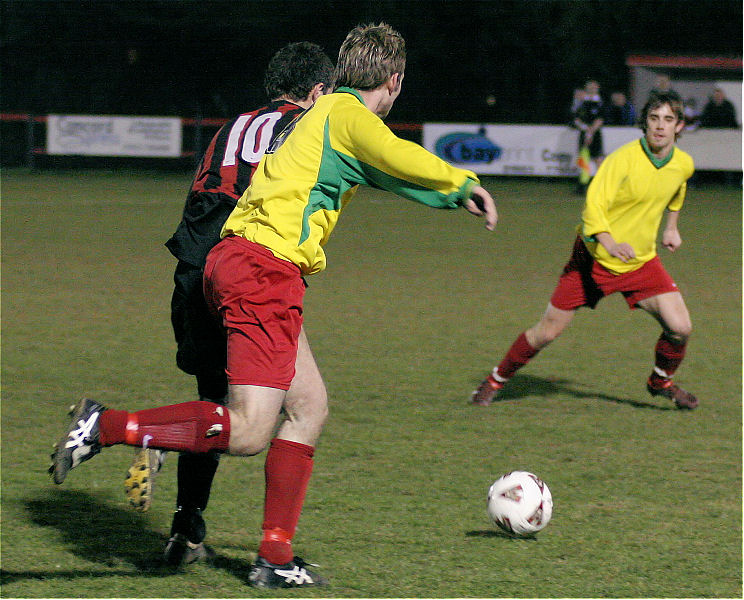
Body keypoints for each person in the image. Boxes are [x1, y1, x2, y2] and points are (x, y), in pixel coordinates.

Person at [50, 23, 498, 589]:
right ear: (395, 80)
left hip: (235, 261)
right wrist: (463, 183)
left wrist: (447, 197)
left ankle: (273, 556)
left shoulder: (322, 116)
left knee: (309, 408)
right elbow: (394, 152)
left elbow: (381, 168)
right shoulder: (348, 113)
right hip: (265, 271)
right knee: (249, 430)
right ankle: (107, 425)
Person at [121, 41, 334, 568]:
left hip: (193, 272)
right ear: (316, 92)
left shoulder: (231, 127)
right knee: (280, 413)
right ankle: (149, 434)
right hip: (245, 271)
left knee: (217, 400)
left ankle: (185, 532)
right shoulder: (304, 128)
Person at [471, 90, 698, 411]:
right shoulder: (622, 160)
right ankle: (494, 381)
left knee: (680, 328)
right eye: (654, 118)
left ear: (679, 126)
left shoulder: (683, 164)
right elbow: (593, 210)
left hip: (639, 262)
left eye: (668, 120)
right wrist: (609, 243)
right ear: (644, 122)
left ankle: (660, 382)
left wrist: (672, 227)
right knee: (546, 332)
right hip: (592, 260)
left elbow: (678, 188)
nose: (660, 126)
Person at [573, 80, 605, 194]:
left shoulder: (600, 102)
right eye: (589, 87)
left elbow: (600, 119)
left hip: (595, 134)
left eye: (594, 87)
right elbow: (576, 118)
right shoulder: (581, 103)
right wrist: (585, 129)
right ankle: (582, 184)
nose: (591, 88)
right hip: (584, 133)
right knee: (583, 159)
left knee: (598, 159)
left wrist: (591, 131)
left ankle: (602, 185)